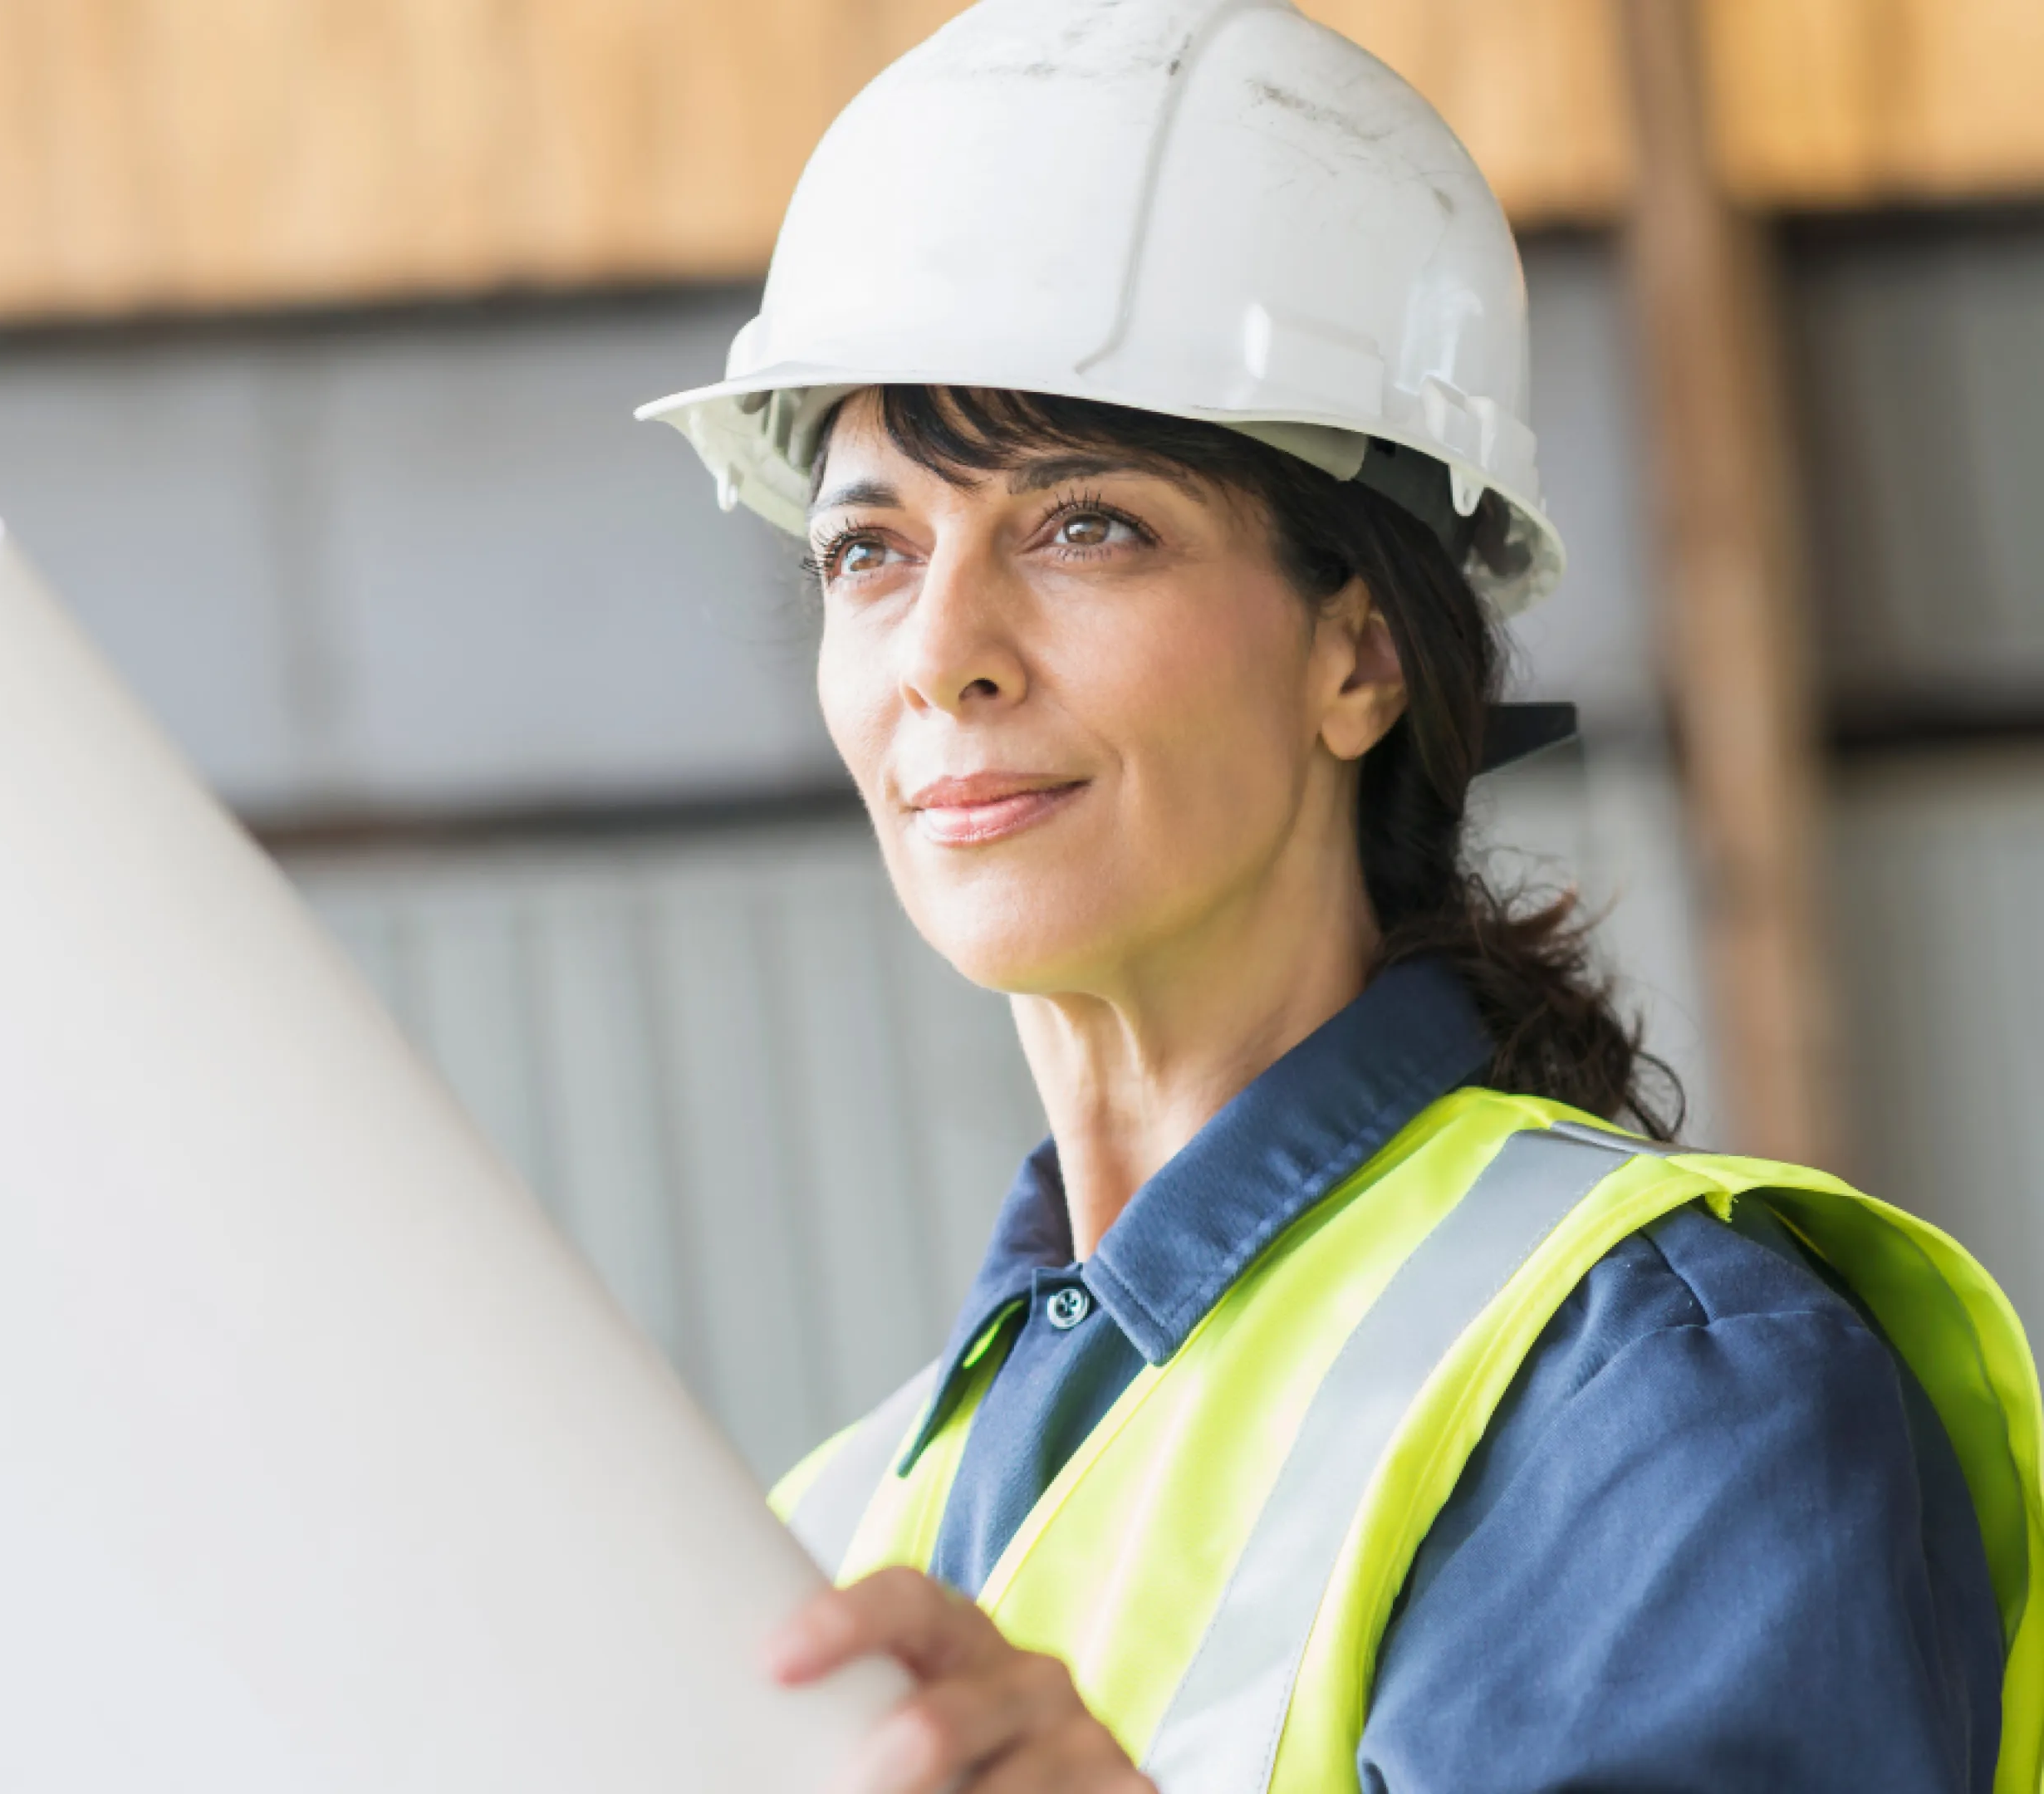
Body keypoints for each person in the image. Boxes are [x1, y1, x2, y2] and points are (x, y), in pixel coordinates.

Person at [635, 2, 2044, 1790]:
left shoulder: (1657, 1388)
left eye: (1086, 525)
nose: (941, 652)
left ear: (1360, 656)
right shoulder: (835, 1530)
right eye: (868, 549)